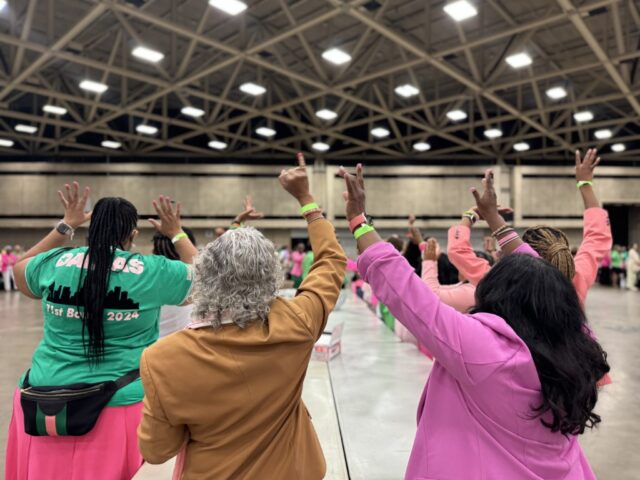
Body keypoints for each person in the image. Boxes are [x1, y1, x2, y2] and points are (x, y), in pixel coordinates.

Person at [338, 164, 609, 479]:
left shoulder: (482, 348)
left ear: (500, 294)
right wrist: (496, 221)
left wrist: (358, 220)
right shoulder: (577, 343)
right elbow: (542, 281)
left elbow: (407, 291)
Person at [137, 154, 347, 479]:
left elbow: (157, 450)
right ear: (273, 276)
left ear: (203, 278)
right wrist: (307, 201)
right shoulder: (298, 322)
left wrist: (178, 234)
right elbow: (331, 260)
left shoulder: (163, 359)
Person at [5, 183, 198, 480]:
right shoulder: (151, 271)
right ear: (132, 235)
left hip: (41, 402)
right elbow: (210, 280)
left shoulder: (55, 262)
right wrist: (177, 233)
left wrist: (65, 225)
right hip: (118, 405)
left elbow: (20, 270)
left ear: (90, 230)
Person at [449, 149, 612, 305]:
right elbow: (597, 237)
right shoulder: (576, 279)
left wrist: (471, 216)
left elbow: (458, 252)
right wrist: (585, 184)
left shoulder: (505, 283)